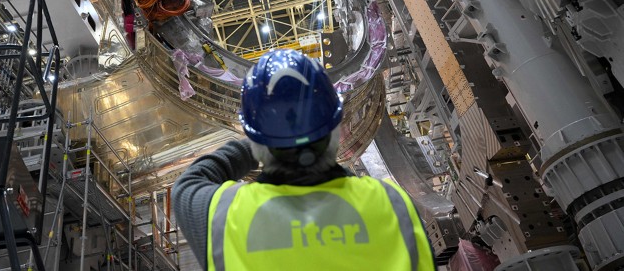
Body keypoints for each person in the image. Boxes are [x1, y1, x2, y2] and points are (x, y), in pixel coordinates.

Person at [173, 49, 435, 270]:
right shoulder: (391, 205)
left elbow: (189, 183)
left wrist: (258, 141)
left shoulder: (225, 215)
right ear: (336, 129)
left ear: (257, 142)